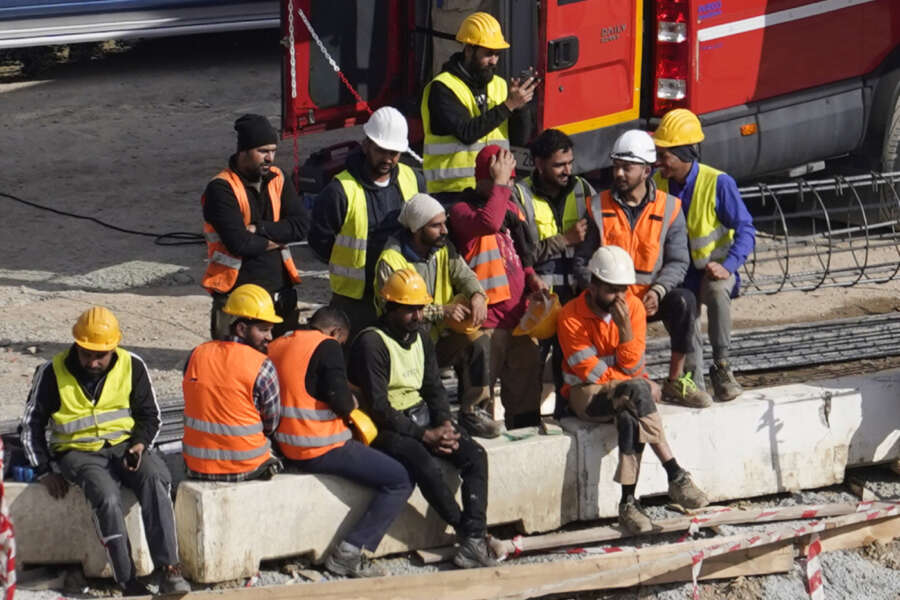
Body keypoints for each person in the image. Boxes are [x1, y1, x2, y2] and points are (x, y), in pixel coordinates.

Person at [21, 307, 190, 596]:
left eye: (101, 354)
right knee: (107, 497)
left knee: (155, 479)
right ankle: (127, 580)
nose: (94, 361)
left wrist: (138, 445)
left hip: (126, 447)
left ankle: (169, 569)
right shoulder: (51, 372)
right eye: (87, 353)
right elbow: (29, 426)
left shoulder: (132, 365)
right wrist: (44, 471)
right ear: (77, 344)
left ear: (114, 347)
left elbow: (151, 416)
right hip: (78, 453)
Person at [349, 269, 497, 569]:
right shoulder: (372, 343)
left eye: (419, 308)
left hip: (420, 414)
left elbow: (433, 387)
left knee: (474, 455)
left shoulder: (420, 339)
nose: (417, 316)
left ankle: (473, 538)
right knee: (424, 464)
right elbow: (379, 406)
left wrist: (443, 423)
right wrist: (424, 435)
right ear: (389, 308)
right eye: (409, 310)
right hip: (386, 425)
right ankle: (468, 533)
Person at [558, 246, 709, 533]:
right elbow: (590, 371)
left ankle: (628, 502)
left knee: (630, 417)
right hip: (585, 395)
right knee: (638, 390)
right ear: (593, 285)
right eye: (612, 291)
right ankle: (675, 473)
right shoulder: (571, 316)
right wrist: (636, 382)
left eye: (623, 290)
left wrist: (625, 329)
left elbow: (631, 364)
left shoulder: (634, 309)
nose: (619, 298)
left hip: (625, 396)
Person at [267, 307, 413, 577]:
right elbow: (341, 400)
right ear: (335, 333)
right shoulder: (327, 346)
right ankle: (349, 552)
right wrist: (352, 401)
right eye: (341, 341)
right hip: (319, 446)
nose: (340, 347)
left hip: (286, 446)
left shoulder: (277, 343)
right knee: (400, 478)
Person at [574, 130, 712, 408]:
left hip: (649, 300)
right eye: (616, 166)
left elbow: (678, 260)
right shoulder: (598, 206)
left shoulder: (670, 207)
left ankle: (675, 382)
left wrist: (659, 291)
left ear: (647, 170)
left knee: (685, 301)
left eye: (627, 167)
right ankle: (612, 387)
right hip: (609, 302)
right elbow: (582, 262)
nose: (620, 173)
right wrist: (608, 295)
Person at [373, 193, 498, 438]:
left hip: (436, 338)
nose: (444, 230)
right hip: (405, 343)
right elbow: (396, 310)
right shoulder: (391, 261)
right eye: (436, 225)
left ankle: (473, 411)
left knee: (479, 341)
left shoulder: (442, 249)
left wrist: (477, 295)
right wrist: (443, 311)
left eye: (444, 223)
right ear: (417, 229)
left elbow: (464, 274)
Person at [653, 109, 756, 402]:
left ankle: (722, 369)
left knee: (717, 292)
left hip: (712, 269)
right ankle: (692, 379)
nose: (659, 162)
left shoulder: (717, 183)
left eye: (665, 155)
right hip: (677, 272)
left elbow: (746, 228)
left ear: (685, 154)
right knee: (684, 312)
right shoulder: (657, 183)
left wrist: (729, 266)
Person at [449, 144, 545, 429]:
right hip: (486, 323)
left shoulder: (511, 209)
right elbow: (488, 223)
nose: (508, 186)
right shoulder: (461, 211)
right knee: (480, 398)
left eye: (511, 180)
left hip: (519, 319)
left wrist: (530, 276)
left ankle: (526, 439)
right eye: (501, 178)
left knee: (526, 395)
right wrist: (500, 185)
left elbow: (521, 251)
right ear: (483, 178)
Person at [309, 106, 423, 338]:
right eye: (382, 151)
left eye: (394, 153)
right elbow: (320, 242)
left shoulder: (413, 179)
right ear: (366, 144)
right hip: (354, 300)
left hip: (401, 294)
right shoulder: (340, 190)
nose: (388, 159)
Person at [201, 113, 311, 339]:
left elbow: (301, 226)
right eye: (263, 151)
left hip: (278, 292)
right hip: (237, 297)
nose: (270, 158)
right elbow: (239, 243)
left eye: (273, 151)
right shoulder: (221, 189)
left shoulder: (278, 178)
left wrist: (258, 228)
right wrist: (279, 236)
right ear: (243, 151)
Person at [512, 128, 592, 416]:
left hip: (576, 296)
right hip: (538, 298)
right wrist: (565, 240)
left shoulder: (583, 189)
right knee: (531, 363)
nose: (567, 171)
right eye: (559, 164)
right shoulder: (519, 195)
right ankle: (527, 422)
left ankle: (566, 414)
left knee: (570, 361)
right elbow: (520, 254)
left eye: (569, 163)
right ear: (539, 163)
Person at [421, 11, 537, 204]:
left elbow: (520, 139)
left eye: (497, 54)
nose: (494, 61)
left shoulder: (499, 85)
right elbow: (467, 133)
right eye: (488, 53)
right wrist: (509, 105)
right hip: (452, 194)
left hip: (496, 188)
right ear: (469, 50)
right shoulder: (442, 88)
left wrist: (521, 108)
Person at [182, 284, 283, 482]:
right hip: (247, 465)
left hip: (196, 465)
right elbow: (271, 424)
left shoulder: (197, 354)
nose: (269, 338)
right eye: (263, 330)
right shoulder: (262, 365)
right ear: (241, 328)